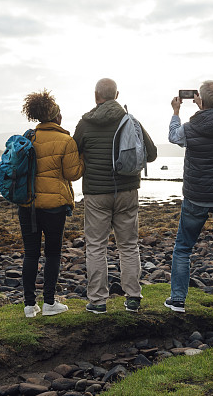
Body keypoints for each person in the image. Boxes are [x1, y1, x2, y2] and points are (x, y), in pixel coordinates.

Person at [73, 78, 157, 314]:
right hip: (127, 191)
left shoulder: (86, 123)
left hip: (96, 193)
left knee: (96, 246)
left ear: (95, 96)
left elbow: (73, 153)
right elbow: (151, 154)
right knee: (129, 245)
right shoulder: (130, 120)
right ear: (117, 95)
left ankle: (98, 301)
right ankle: (132, 297)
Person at [165, 80, 213, 318]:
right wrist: (205, 109)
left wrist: (176, 112)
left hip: (196, 196)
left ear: (199, 100)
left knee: (183, 248)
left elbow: (173, 137)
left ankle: (178, 299)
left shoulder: (189, 127)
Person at [18, 90, 84, 318]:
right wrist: (82, 159)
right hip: (54, 206)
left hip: (27, 205)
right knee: (53, 253)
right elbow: (73, 173)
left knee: (30, 253)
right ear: (57, 116)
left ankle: (28, 306)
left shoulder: (28, 137)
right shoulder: (66, 141)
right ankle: (49, 303)